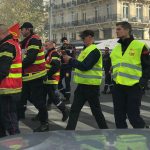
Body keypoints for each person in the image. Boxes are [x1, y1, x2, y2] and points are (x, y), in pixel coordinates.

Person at [63, 30, 108, 130]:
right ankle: (69, 131)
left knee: (96, 111)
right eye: (82, 38)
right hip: (82, 86)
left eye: (84, 37)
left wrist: (70, 60)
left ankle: (105, 130)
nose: (83, 40)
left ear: (91, 37)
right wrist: (70, 61)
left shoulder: (94, 51)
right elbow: (80, 65)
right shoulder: (85, 50)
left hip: (91, 87)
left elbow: (85, 66)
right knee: (74, 109)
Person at [110, 21, 150, 128]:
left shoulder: (140, 45)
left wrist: (142, 83)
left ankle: (145, 137)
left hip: (134, 86)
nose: (116, 31)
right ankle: (121, 141)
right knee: (119, 117)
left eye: (119, 29)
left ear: (127, 30)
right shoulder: (116, 47)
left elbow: (147, 66)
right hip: (118, 86)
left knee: (133, 116)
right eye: (116, 29)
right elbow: (114, 64)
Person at [18, 22, 49, 132]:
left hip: (36, 76)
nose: (21, 31)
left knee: (38, 100)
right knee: (22, 97)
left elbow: (31, 58)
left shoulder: (34, 40)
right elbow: (19, 46)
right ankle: (18, 117)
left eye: (22, 29)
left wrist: (17, 67)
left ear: (28, 30)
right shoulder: (27, 41)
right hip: (28, 76)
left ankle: (45, 123)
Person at [32, 40, 69, 122]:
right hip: (46, 80)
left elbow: (56, 66)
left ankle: (64, 110)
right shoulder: (48, 53)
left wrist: (47, 75)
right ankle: (41, 115)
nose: (45, 47)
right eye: (44, 45)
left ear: (52, 45)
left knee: (54, 98)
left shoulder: (54, 53)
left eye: (46, 45)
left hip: (52, 80)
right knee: (42, 99)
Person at [0, 24, 22, 137]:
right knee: (4, 119)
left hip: (8, 88)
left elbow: (3, 70)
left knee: (10, 121)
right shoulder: (13, 44)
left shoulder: (6, 46)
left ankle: (17, 145)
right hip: (10, 88)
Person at [58, 37, 76, 102]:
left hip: (68, 67)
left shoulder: (71, 46)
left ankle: (67, 98)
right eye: (63, 41)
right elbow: (60, 55)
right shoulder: (61, 47)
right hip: (62, 67)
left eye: (65, 41)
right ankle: (65, 94)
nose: (64, 42)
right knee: (58, 80)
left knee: (67, 81)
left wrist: (65, 51)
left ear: (67, 41)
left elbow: (72, 52)